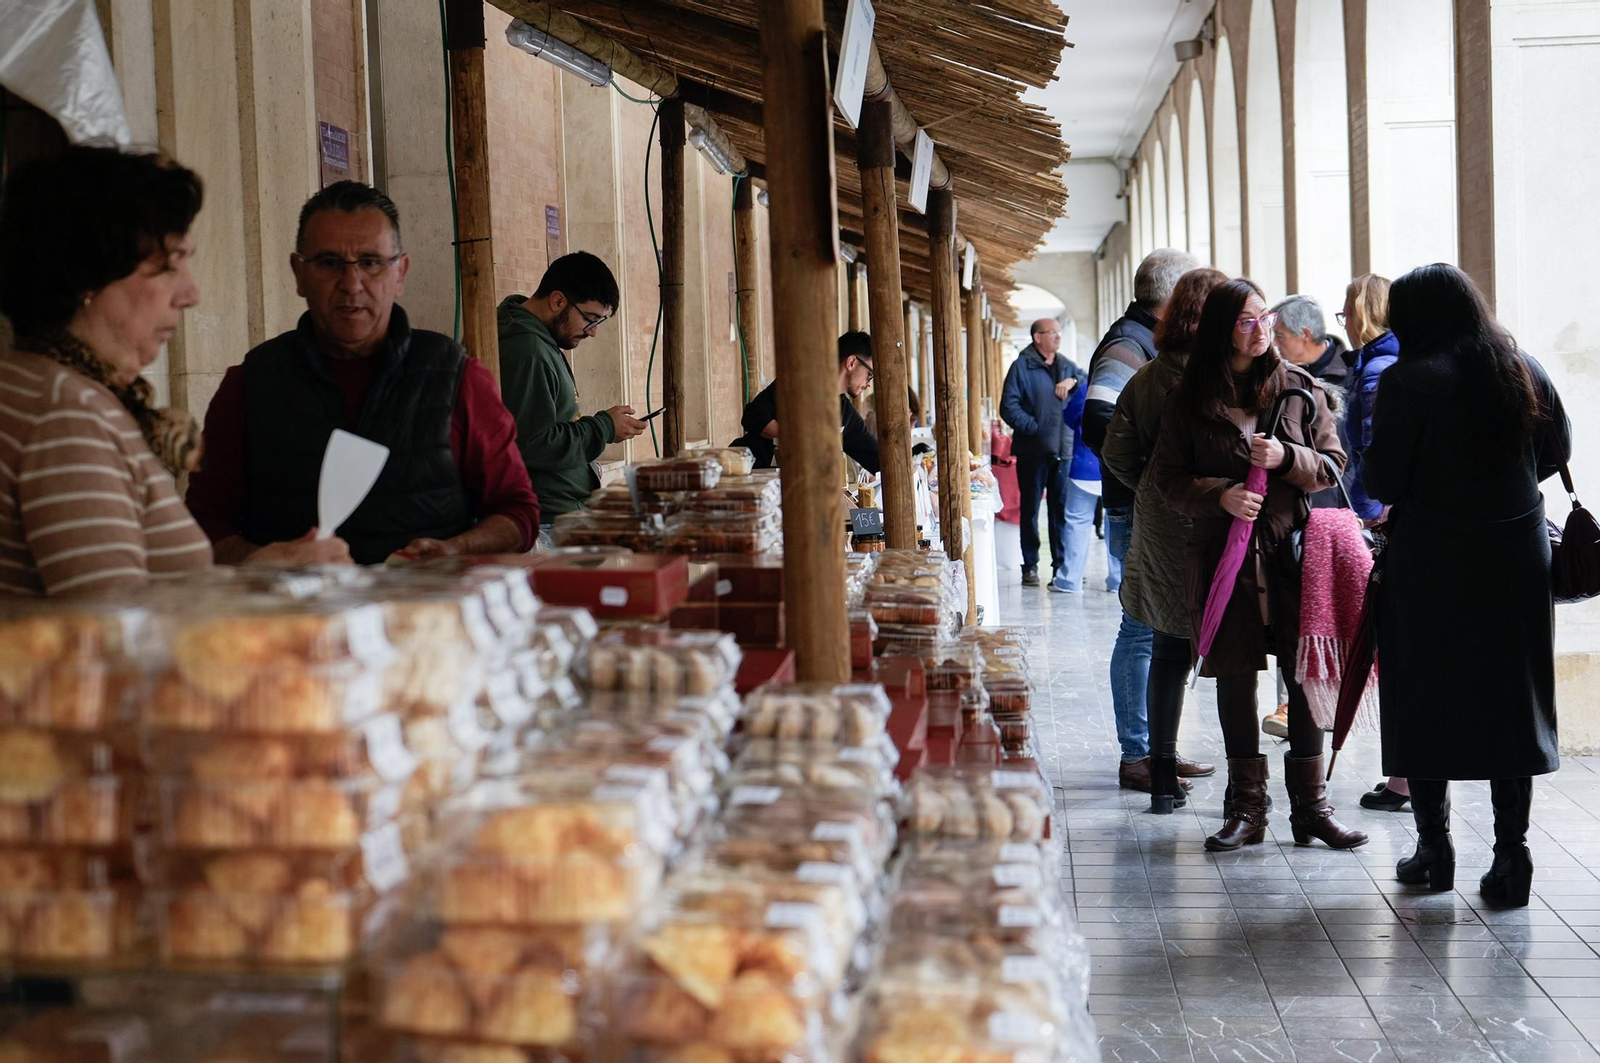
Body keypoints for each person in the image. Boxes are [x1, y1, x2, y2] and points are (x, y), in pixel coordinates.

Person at [187, 182, 540, 565]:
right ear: (299, 273)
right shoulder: (250, 384)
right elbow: (203, 525)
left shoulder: (457, 378)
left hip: (427, 600)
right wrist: (266, 562)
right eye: (328, 263)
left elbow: (518, 512)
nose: (351, 284)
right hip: (289, 603)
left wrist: (454, 550)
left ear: (400, 273)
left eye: (370, 263)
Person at [1364, 263, 1570, 908]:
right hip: (1516, 557)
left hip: (1432, 561)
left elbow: (1383, 480)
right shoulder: (1522, 368)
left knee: (1423, 695)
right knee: (1514, 698)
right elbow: (1556, 451)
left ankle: (1435, 850)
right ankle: (1512, 856)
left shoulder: (1408, 380)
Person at [1152, 278, 1367, 852]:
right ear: (1221, 330)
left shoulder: (1299, 388)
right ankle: (1246, 809)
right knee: (1235, 675)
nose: (1260, 330)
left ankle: (1312, 810)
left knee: (1302, 676)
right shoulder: (1187, 398)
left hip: (1292, 556)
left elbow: (1334, 465)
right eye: (1246, 321)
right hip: (1223, 558)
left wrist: (1287, 457)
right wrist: (1220, 494)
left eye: (1264, 318)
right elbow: (1168, 480)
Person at [0, 145, 222, 596]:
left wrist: (266, 573)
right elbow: (111, 627)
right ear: (89, 275)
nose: (190, 294)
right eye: (170, 266)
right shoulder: (68, 417)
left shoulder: (34, 380)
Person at [1082, 248, 1211, 793]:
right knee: (1141, 627)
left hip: (1147, 506)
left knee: (1161, 630)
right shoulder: (1128, 345)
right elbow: (1098, 419)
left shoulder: (1145, 341)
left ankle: (1159, 748)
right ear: (1175, 298)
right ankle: (1138, 753)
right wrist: (1156, 485)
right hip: (1138, 509)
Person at [1259, 293, 1355, 738]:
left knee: (1327, 616)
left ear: (1304, 334)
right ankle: (1295, 705)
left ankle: (1327, 701)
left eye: (1278, 334)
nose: (1273, 342)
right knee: (1296, 619)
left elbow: (1345, 459)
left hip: (1332, 514)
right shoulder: (1276, 379)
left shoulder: (1343, 379)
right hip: (1294, 520)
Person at [1332, 273, 1409, 812]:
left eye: (1346, 313)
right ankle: (1405, 777)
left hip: (1381, 520)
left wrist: (1370, 513)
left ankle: (1406, 780)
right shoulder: (1382, 362)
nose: (1344, 323)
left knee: (1393, 650)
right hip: (1387, 516)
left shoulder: (1379, 369)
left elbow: (1373, 454)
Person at [499, 252, 645, 523]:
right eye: (590, 318)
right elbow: (533, 443)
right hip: (545, 519)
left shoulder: (540, 341)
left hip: (559, 511)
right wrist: (603, 428)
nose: (593, 331)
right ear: (558, 301)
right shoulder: (527, 350)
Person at [999, 319, 1080, 588]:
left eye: (1059, 332)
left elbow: (1087, 380)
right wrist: (1035, 428)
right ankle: (1030, 566)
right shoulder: (1022, 366)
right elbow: (1008, 406)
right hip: (1033, 451)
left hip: (1063, 450)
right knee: (1030, 510)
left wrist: (1073, 380)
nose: (1057, 336)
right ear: (1037, 337)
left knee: (1060, 511)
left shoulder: (1066, 364)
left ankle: (1060, 567)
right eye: (1052, 332)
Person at [732, 332, 880, 473]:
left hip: (791, 485)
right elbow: (753, 415)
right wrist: (800, 439)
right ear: (852, 362)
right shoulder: (798, 382)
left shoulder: (844, 413)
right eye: (870, 375)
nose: (868, 384)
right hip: (748, 473)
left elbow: (876, 457)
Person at [1048, 362, 1103, 594]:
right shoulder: (1128, 385)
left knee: (1077, 523)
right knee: (1118, 523)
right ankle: (1118, 581)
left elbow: (1069, 417)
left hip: (1084, 467)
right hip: (1116, 467)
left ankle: (1069, 580)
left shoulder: (1087, 389)